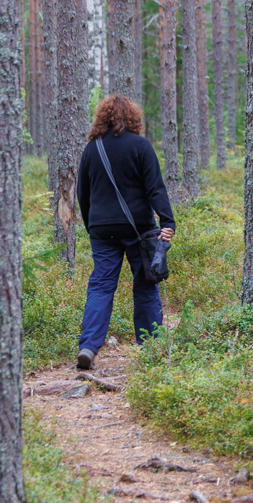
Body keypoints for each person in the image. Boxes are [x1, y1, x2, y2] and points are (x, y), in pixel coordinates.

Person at [76, 95, 175, 370]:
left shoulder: (91, 149)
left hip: (101, 229)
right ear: (133, 118)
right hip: (139, 230)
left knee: (101, 285)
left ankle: (88, 347)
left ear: (102, 118)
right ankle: (151, 348)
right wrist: (167, 221)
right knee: (146, 284)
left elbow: (82, 194)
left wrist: (92, 226)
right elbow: (156, 188)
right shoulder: (141, 146)